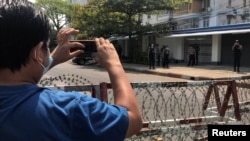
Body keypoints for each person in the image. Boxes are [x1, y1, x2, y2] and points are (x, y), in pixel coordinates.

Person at [0, 1, 143, 141]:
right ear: (38, 52)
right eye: (47, 47)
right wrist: (114, 64)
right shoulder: (68, 108)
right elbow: (133, 120)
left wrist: (52, 59)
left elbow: (15, 78)